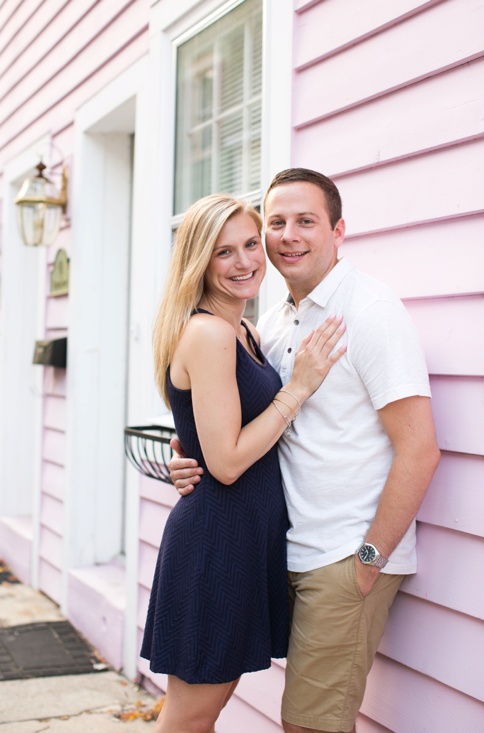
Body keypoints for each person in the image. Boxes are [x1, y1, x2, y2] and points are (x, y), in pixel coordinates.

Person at [169, 169, 441, 733]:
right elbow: (233, 422)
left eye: (306, 221)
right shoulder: (265, 323)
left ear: (338, 230)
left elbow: (420, 450)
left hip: (344, 554)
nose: (287, 235)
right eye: (276, 223)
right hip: (277, 550)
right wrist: (187, 450)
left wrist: (369, 563)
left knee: (310, 726)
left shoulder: (370, 313)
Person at [142, 194, 346, 733]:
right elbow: (228, 463)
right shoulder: (209, 333)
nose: (244, 262)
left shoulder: (244, 332)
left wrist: (183, 449)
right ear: (199, 262)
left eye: (250, 245)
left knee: (202, 713)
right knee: (189, 719)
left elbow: (208, 434)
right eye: (222, 252)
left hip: (242, 539)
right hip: (216, 544)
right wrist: (297, 388)